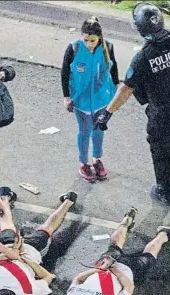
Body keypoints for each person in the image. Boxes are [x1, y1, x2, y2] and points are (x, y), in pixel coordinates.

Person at [94, 3, 170, 206]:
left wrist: (107, 112)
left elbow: (126, 89)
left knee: (161, 155)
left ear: (140, 28)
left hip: (163, 117)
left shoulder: (143, 58)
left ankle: (165, 191)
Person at [65, 207, 170, 295]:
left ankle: (164, 234)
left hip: (128, 270)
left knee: (149, 257)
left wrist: (116, 272)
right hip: (105, 263)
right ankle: (126, 220)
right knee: (115, 245)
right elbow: (79, 278)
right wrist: (101, 269)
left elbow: (129, 287)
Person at [0, 190, 78, 295]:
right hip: (7, 249)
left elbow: (49, 277)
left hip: (27, 252)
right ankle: (5, 197)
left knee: (47, 229)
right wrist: (7, 257)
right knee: (6, 224)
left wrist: (25, 260)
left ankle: (68, 201)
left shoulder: (29, 293)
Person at [61, 16, 119, 183]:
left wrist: (116, 93)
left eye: (92, 40)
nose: (88, 44)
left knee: (99, 130)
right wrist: (66, 97)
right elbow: (64, 73)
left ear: (99, 38)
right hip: (81, 102)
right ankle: (84, 163)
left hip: (102, 100)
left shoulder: (108, 47)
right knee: (85, 132)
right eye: (85, 40)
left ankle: (97, 159)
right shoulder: (73, 48)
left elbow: (114, 70)